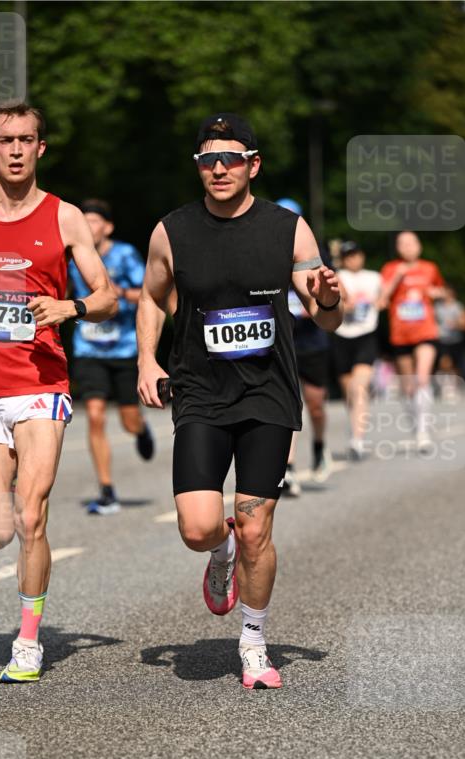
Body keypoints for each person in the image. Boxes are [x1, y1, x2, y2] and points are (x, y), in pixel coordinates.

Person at [136, 113, 342, 690]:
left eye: (230, 158)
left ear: (253, 164)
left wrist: (328, 300)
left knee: (258, 528)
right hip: (200, 390)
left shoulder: (288, 229)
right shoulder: (171, 231)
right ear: (197, 167)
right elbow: (152, 299)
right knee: (200, 527)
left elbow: (328, 311)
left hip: (269, 392)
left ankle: (253, 643)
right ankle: (218, 550)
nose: (218, 168)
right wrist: (147, 359)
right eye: (207, 159)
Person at [0, 101, 116, 682]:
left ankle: (29, 641)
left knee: (31, 516)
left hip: (39, 382)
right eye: (4, 140)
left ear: (40, 148)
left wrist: (71, 306)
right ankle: (7, 495)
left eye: (25, 140)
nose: (14, 149)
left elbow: (107, 295)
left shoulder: (65, 218)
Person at [69, 199, 154, 515]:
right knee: (94, 414)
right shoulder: (73, 259)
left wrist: (118, 293)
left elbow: (148, 292)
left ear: (108, 227)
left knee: (128, 420)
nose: (90, 227)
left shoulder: (125, 255)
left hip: (123, 348)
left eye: (94, 221)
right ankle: (106, 489)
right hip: (89, 348)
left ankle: (140, 428)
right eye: (85, 221)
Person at [275, 198, 332, 496]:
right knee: (289, 402)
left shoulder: (314, 252)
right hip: (281, 338)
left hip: (312, 339)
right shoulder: (267, 250)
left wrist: (321, 300)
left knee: (315, 404)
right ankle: (288, 468)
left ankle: (320, 447)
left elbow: (335, 293)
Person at [380, 232, 445, 453]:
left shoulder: (430, 268)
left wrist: (435, 292)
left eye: (411, 243)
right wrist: (397, 277)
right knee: (408, 387)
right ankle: (417, 422)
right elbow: (382, 299)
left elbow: (440, 290)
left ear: (419, 246)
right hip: (400, 334)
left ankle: (423, 431)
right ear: (398, 248)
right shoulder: (390, 269)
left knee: (422, 378)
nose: (407, 247)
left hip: (426, 331)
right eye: (402, 244)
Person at [334, 241, 382, 459]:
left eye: (356, 255)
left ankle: (358, 440)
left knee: (358, 386)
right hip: (341, 337)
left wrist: (377, 302)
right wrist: (343, 306)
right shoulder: (336, 276)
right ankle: (356, 427)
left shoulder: (374, 277)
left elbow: (385, 299)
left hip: (366, 336)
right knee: (349, 392)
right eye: (349, 256)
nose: (354, 259)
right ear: (343, 259)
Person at [433, 285, 465, 398]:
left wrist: (456, 324)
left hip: (456, 340)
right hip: (442, 339)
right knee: (444, 362)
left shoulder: (458, 306)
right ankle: (445, 386)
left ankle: (454, 386)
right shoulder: (437, 307)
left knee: (455, 366)